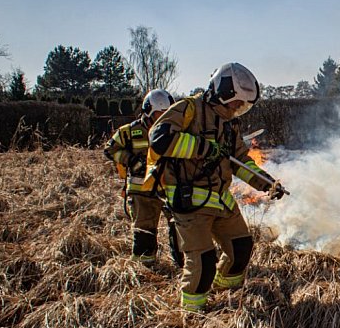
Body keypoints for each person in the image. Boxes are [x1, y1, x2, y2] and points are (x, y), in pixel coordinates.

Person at [147, 62, 285, 312]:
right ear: (222, 92)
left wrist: (267, 183)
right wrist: (203, 148)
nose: (237, 109)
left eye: (242, 106)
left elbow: (240, 162)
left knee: (241, 247)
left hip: (220, 199)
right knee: (203, 261)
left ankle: (227, 297)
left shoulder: (230, 125)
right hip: (189, 199)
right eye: (236, 103)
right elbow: (159, 139)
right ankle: (192, 314)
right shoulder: (188, 109)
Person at [104, 89, 183, 267]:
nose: (163, 117)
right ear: (147, 111)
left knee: (180, 226)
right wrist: (131, 160)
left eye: (167, 113)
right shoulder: (130, 132)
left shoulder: (173, 131)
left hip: (168, 188)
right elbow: (110, 149)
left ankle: (184, 265)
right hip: (142, 192)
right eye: (159, 113)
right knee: (144, 231)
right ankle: (145, 267)